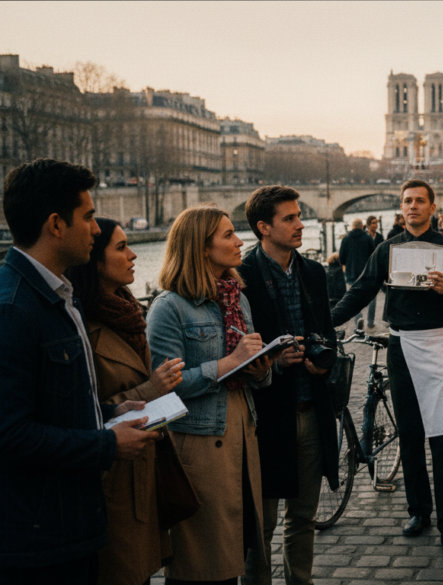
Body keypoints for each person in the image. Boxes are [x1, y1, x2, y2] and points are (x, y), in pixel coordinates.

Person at [0, 159, 159, 584]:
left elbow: (54, 410)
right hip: (40, 543)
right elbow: (9, 434)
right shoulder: (12, 308)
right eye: (88, 216)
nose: (95, 228)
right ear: (56, 224)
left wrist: (109, 414)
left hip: (73, 524)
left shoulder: (59, 296)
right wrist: (106, 444)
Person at [331, 180, 443, 556]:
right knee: (410, 434)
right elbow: (359, 292)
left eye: (419, 201)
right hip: (401, 346)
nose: (413, 206)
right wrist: (326, 320)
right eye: (407, 201)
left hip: (439, 343)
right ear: (401, 208)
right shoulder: (386, 249)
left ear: (431, 207)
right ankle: (418, 511)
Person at [147, 205, 274, 584]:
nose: (239, 242)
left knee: (233, 554)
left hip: (241, 435)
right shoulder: (169, 307)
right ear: (201, 248)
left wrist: (262, 368)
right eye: (228, 235)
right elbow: (164, 388)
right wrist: (229, 363)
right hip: (199, 443)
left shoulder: (237, 297)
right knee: (201, 563)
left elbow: (251, 376)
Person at [66, 218, 188, 585]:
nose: (133, 254)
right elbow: (82, 408)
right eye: (120, 248)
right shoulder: (81, 326)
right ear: (94, 261)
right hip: (111, 480)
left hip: (142, 474)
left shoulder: (129, 314)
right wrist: (151, 390)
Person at [238, 186, 340, 585]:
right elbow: (235, 352)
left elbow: (326, 333)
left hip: (310, 407)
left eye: (300, 216)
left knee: (303, 516)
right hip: (266, 415)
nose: (301, 224)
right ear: (264, 227)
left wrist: (323, 360)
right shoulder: (241, 277)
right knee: (260, 523)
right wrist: (272, 362)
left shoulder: (313, 272)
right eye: (290, 218)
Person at [338, 218, 377, 328]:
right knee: (372, 297)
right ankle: (370, 321)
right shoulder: (368, 237)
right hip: (367, 273)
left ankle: (358, 319)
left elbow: (342, 258)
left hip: (351, 273)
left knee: (354, 298)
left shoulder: (346, 238)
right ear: (362, 226)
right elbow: (373, 255)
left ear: (352, 226)